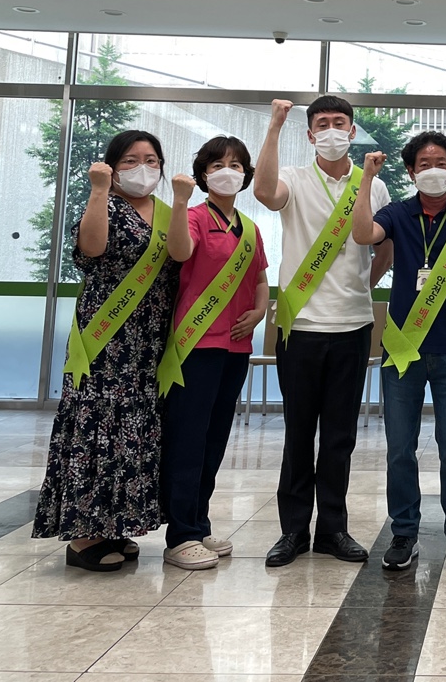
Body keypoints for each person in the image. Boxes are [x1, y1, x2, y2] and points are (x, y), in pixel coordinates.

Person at [33, 130, 184, 572]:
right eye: (131, 160)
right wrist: (98, 190)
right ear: (112, 167)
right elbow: (91, 248)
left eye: (151, 159)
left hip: (148, 340)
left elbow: (179, 259)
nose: (143, 168)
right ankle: (84, 535)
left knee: (134, 430)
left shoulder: (166, 212)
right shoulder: (106, 203)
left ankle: (117, 524)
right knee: (97, 426)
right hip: (105, 337)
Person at [254, 96, 392, 568]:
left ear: (352, 131)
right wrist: (275, 126)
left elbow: (385, 246)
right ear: (311, 134)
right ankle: (293, 530)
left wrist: (363, 286)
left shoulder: (374, 185)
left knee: (339, 436)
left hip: (353, 325)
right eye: (322, 124)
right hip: (301, 326)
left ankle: (333, 529)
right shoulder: (293, 178)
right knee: (298, 433)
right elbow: (264, 192)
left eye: (340, 123)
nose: (332, 130)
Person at [351, 131, 446, 573]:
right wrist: (366, 178)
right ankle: (404, 532)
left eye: (441, 163)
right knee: (399, 447)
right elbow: (362, 233)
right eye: (424, 164)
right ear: (411, 172)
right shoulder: (396, 213)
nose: (434, 170)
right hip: (402, 349)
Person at [159, 136, 270, 570]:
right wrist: (179, 200)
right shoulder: (193, 217)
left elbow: (259, 279)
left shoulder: (250, 228)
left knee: (214, 438)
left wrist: (259, 312)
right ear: (203, 174)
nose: (229, 171)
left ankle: (198, 523)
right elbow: (178, 252)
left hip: (235, 346)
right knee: (188, 437)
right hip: (196, 345)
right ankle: (180, 534)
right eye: (218, 164)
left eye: (237, 165)